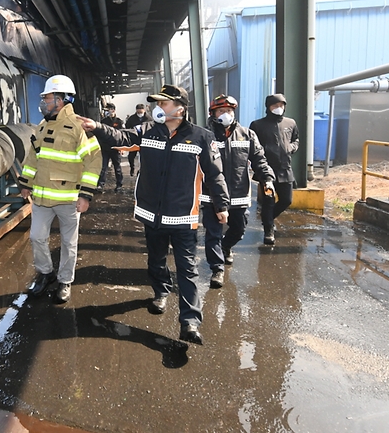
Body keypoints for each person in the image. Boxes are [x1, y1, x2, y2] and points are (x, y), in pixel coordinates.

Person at [81, 85, 229, 345]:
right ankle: (161, 292)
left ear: (180, 108)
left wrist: (221, 205)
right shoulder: (148, 130)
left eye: (164, 104)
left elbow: (215, 174)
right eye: (157, 104)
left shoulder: (202, 137)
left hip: (183, 217)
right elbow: (121, 136)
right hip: (152, 214)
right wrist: (97, 126)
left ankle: (190, 322)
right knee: (156, 261)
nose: (158, 108)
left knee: (187, 269)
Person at [18, 75, 102, 303]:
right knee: (37, 238)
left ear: (61, 99)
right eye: (44, 97)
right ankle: (46, 274)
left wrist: (85, 195)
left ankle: (65, 281)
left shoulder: (79, 125)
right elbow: (33, 157)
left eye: (47, 97)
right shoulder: (43, 125)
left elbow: (93, 161)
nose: (44, 101)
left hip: (69, 199)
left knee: (68, 243)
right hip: (42, 198)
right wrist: (25, 184)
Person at [204, 95, 275, 287]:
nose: (226, 115)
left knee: (238, 230)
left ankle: (226, 247)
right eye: (221, 111)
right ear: (213, 114)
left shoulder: (247, 134)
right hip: (211, 195)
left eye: (229, 111)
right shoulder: (205, 135)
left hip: (238, 194)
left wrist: (267, 179)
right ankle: (217, 270)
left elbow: (259, 159)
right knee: (213, 234)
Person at [249, 93, 300, 245]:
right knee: (268, 201)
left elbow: (296, 139)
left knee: (286, 200)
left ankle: (268, 219)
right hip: (266, 171)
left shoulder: (290, 123)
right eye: (275, 106)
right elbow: (252, 146)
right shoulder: (257, 125)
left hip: (285, 168)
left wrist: (291, 147)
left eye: (281, 106)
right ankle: (268, 230)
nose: (278, 109)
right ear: (268, 107)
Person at [97, 102, 124, 192]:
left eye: (108, 110)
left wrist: (122, 148)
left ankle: (119, 184)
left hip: (116, 148)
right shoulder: (104, 121)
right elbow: (100, 134)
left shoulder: (119, 121)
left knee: (117, 167)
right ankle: (100, 184)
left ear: (113, 110)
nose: (107, 112)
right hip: (105, 147)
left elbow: (122, 135)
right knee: (103, 167)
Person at [123, 103, 147, 175]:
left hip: (144, 141)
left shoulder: (148, 118)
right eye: (138, 112)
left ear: (144, 110)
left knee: (144, 157)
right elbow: (127, 128)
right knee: (131, 156)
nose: (139, 114)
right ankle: (132, 168)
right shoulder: (132, 118)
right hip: (134, 140)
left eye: (141, 112)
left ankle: (142, 170)